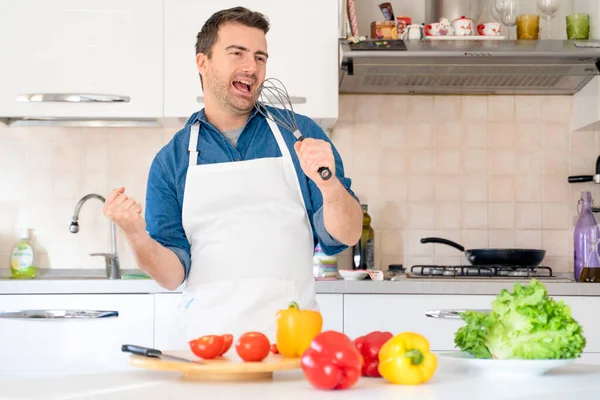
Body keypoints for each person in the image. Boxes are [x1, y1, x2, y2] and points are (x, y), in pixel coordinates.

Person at [102, 6, 362, 344]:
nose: (251, 68)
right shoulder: (171, 162)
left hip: (291, 340)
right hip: (206, 344)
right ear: (203, 62)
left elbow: (346, 235)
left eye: (260, 57)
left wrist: (329, 185)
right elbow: (171, 275)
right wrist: (136, 236)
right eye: (237, 53)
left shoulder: (299, 134)